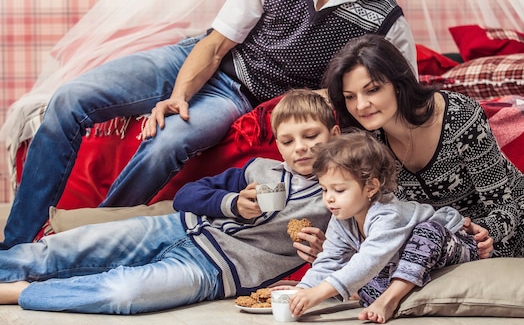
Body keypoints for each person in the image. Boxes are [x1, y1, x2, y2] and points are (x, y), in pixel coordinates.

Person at [1, 0, 417, 249]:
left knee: (169, 142)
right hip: (200, 56)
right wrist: (179, 95)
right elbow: (217, 43)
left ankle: (81, 237)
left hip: (242, 93)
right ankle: (16, 241)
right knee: (70, 97)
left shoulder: (385, 17)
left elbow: (403, 98)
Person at [320, 33, 524, 300]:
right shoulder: (366, 141)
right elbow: (368, 208)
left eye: (372, 90)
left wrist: (485, 232)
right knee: (365, 287)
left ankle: (520, 268)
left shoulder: (458, 115)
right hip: (438, 244)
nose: (361, 106)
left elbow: (506, 206)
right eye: (350, 97)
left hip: (511, 225)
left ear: (398, 85)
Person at [0, 89, 338, 314]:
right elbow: (186, 197)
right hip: (175, 227)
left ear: (334, 135)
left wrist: (324, 251)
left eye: (311, 136)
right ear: (278, 145)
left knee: (124, 293)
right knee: (65, 246)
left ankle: (21, 292)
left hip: (214, 270)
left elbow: (348, 258)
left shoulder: (337, 200)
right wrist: (232, 204)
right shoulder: (259, 169)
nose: (301, 148)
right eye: (289, 140)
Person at [275, 131, 479, 324]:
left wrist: (319, 293)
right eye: (324, 189)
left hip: (450, 247)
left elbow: (370, 259)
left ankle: (389, 301)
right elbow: (329, 260)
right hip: (401, 266)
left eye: (339, 189)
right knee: (365, 285)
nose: (329, 197)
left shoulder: (388, 213)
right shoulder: (341, 219)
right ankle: (391, 294)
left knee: (426, 232)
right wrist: (302, 291)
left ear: (371, 187)